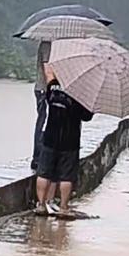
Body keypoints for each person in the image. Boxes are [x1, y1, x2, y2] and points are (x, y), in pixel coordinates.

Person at [35, 64, 93, 217]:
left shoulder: (53, 87)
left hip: (50, 137)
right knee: (67, 176)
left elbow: (48, 83)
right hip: (70, 140)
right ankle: (63, 207)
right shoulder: (81, 93)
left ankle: (41, 205)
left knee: (44, 172)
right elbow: (87, 116)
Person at [31, 41, 51, 170]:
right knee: (43, 122)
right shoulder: (47, 45)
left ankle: (44, 156)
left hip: (48, 89)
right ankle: (37, 158)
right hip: (44, 89)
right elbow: (47, 69)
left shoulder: (57, 45)